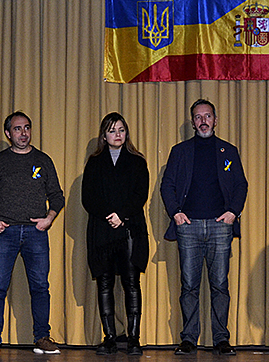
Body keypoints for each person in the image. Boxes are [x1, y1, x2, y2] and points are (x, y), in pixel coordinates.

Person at [160, 98, 248, 356]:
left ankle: (221, 339)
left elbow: (241, 185)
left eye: (207, 116)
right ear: (192, 122)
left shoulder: (228, 151)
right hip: (188, 226)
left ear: (215, 120)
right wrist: (175, 213)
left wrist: (233, 212)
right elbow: (167, 185)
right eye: (198, 117)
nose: (203, 121)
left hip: (221, 227)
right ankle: (188, 339)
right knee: (189, 286)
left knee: (220, 285)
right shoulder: (180, 151)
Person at [0, 111, 65, 355]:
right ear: (8, 134)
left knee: (40, 286)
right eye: (17, 129)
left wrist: (49, 219)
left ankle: (42, 337)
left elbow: (57, 195)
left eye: (26, 128)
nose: (23, 133)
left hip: (35, 234)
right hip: (3, 233)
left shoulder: (43, 160)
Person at [82, 113, 150, 356]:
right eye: (112, 131)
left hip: (130, 229)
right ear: (104, 135)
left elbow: (140, 194)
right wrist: (108, 216)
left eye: (121, 130)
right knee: (105, 283)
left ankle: (133, 339)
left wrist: (121, 215)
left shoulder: (137, 161)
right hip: (102, 231)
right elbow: (87, 198)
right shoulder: (94, 162)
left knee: (131, 283)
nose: (118, 135)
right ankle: (109, 337)